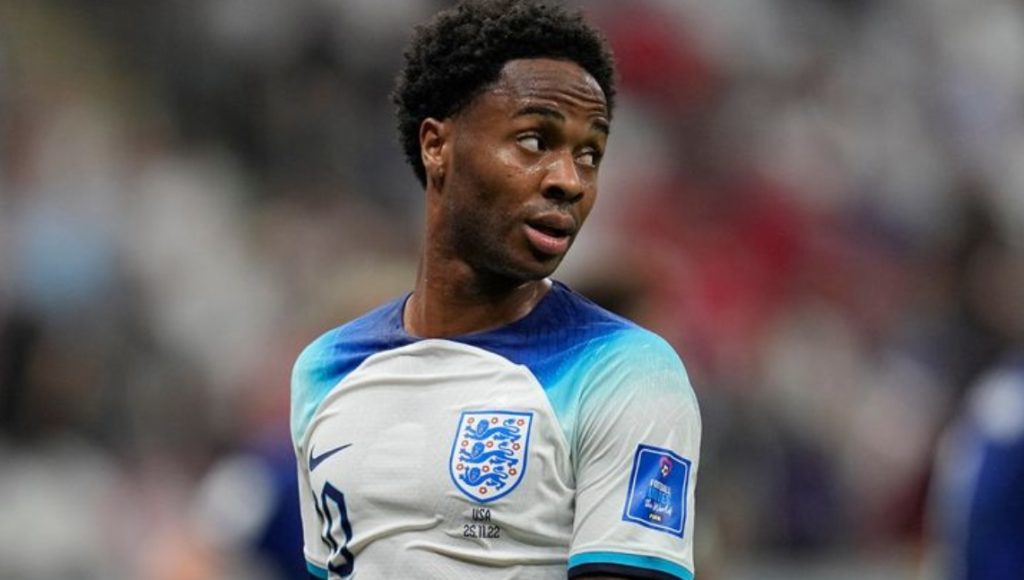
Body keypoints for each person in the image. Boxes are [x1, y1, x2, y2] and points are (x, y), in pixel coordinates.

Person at [290, 1, 701, 578]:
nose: (569, 180)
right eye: (534, 141)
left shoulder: (625, 371)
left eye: (590, 155)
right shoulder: (325, 370)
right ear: (437, 146)